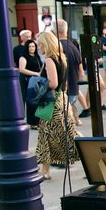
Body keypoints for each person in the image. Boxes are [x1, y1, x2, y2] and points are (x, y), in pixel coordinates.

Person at [34, 31, 78, 179]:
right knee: (66, 133)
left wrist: (41, 85)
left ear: (46, 44)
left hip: (51, 101)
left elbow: (53, 83)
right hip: (62, 99)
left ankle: (45, 170)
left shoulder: (49, 60)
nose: (39, 48)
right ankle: (45, 169)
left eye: (40, 44)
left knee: (46, 134)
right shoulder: (61, 57)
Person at [56, 19, 87, 122]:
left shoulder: (57, 46)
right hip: (73, 86)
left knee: (64, 120)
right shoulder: (72, 45)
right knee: (69, 111)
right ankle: (76, 120)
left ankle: (74, 124)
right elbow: (80, 66)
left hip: (63, 88)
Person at [18, 39, 42, 128]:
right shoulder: (23, 57)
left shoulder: (37, 56)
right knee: (30, 101)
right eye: (30, 46)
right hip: (27, 81)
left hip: (37, 81)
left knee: (37, 101)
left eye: (33, 46)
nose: (32, 48)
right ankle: (32, 122)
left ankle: (38, 120)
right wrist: (36, 73)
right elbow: (22, 69)